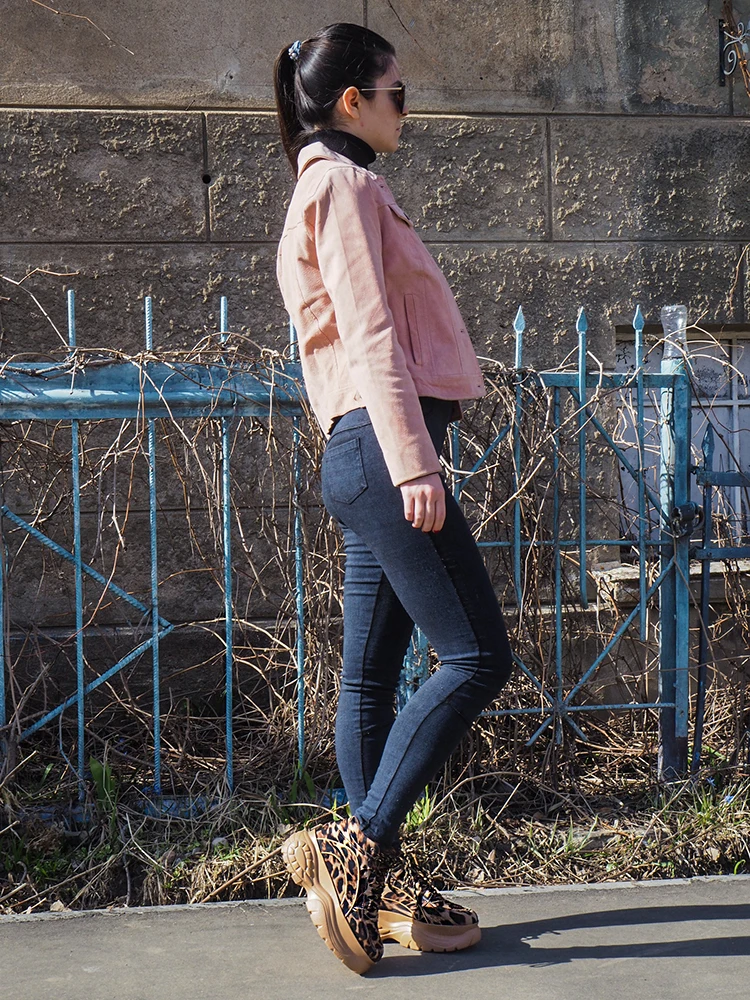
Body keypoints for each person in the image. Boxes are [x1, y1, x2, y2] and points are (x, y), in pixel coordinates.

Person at [273, 22, 514, 975]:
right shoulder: (341, 184)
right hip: (384, 449)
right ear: (353, 102)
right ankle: (358, 843)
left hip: (361, 449)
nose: (405, 109)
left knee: (369, 679)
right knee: (478, 654)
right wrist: (415, 462)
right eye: (397, 93)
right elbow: (370, 329)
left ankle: (379, 885)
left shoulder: (326, 185)